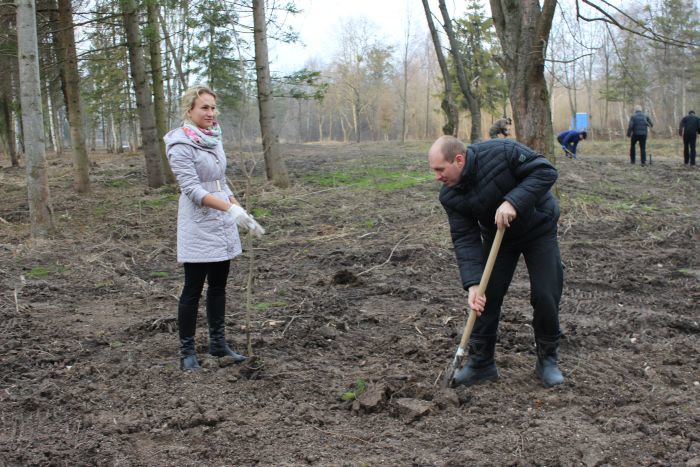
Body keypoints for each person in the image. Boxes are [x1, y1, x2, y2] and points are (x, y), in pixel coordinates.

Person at [428, 135, 564, 388]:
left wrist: (513, 201)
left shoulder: (502, 151)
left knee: (546, 293)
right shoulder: (450, 196)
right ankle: (481, 364)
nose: (437, 177)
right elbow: (464, 239)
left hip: (539, 229)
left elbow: (545, 171)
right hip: (500, 239)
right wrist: (472, 284)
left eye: (440, 169)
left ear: (458, 160)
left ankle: (547, 361)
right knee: (484, 296)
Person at [164, 85, 265, 371]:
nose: (210, 113)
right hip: (198, 223)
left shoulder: (213, 138)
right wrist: (228, 208)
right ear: (189, 111)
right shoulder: (180, 143)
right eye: (204, 108)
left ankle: (219, 346)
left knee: (219, 286)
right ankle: (187, 353)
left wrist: (238, 208)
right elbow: (193, 190)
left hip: (222, 220)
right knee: (193, 289)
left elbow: (220, 180)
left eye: (212, 107)